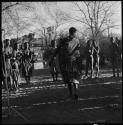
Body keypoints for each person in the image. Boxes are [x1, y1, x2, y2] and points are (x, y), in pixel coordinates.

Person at [50, 27, 80, 100]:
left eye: (75, 33)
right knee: (68, 79)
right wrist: (52, 58)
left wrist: (78, 60)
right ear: (71, 33)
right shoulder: (64, 40)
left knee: (74, 78)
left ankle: (75, 93)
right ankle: (71, 94)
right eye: (74, 33)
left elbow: (78, 52)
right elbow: (57, 49)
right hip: (66, 62)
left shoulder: (77, 41)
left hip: (73, 62)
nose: (75, 35)